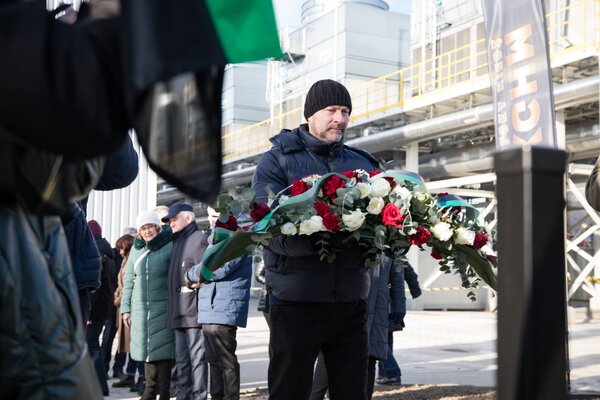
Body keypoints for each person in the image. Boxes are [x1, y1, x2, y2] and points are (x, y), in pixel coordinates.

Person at [251, 79, 381, 400]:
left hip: (350, 303)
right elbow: (265, 226)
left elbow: (382, 224)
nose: (340, 118)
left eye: (346, 111)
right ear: (311, 114)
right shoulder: (277, 161)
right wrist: (320, 239)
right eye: (332, 110)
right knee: (289, 393)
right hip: (296, 302)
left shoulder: (362, 164)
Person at [308, 256, 409, 400]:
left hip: (377, 308)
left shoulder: (391, 242)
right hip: (346, 302)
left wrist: (399, 306)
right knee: (328, 356)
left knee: (371, 356)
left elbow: (397, 276)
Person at [121, 211, 175, 400]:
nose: (147, 231)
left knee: (164, 350)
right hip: (140, 308)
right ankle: (150, 390)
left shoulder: (169, 244)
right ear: (139, 232)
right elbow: (128, 281)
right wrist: (125, 309)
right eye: (143, 228)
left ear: (157, 227)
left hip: (163, 306)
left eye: (150, 226)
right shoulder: (136, 249)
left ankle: (165, 392)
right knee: (147, 351)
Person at [187, 254, 252, 400]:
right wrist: (193, 274)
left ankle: (231, 397)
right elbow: (204, 267)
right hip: (209, 310)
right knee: (213, 359)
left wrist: (196, 275)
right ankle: (217, 396)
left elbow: (220, 270)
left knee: (226, 361)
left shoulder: (237, 244)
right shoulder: (215, 244)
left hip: (224, 309)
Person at [161, 201, 209, 400]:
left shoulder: (199, 239)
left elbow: (204, 276)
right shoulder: (176, 242)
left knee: (197, 360)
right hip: (177, 312)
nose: (171, 223)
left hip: (193, 313)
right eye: (169, 220)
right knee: (181, 361)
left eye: (174, 219)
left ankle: (198, 396)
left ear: (188, 218)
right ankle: (183, 396)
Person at [376, 260, 422, 386]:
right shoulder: (398, 250)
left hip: (382, 302)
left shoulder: (384, 250)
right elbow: (410, 273)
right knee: (386, 339)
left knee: (377, 338)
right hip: (394, 304)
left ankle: (392, 372)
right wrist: (415, 290)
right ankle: (384, 374)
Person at [112, 233, 146, 395]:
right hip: (123, 308)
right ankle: (131, 375)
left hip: (131, 309)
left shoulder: (133, 261)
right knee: (130, 347)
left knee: (136, 346)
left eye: (121, 248)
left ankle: (142, 379)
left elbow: (129, 286)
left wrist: (118, 300)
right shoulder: (125, 261)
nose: (119, 252)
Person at [86, 220, 116, 396]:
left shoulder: (96, 252)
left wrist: (87, 311)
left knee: (92, 347)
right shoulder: (107, 252)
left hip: (94, 310)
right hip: (103, 309)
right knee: (93, 346)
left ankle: (100, 388)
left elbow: (94, 287)